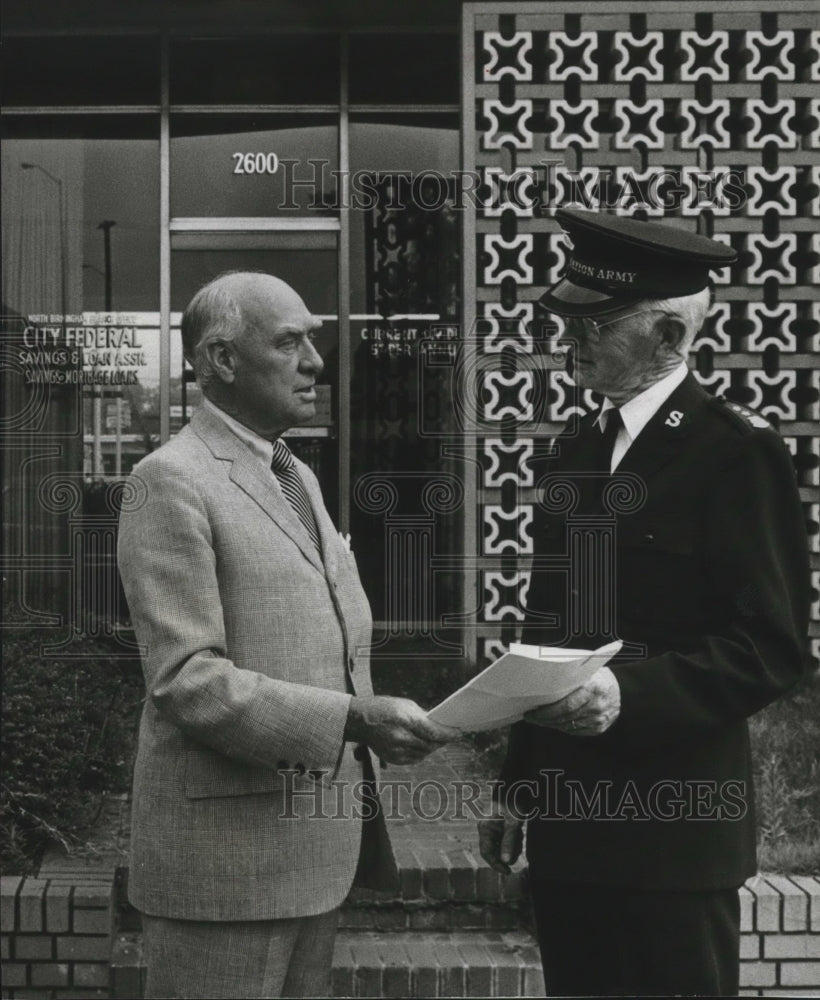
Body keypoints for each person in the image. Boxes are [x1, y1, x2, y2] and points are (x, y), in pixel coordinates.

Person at [478, 209, 810, 997]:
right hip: (572, 830)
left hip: (675, 839)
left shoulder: (735, 454)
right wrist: (521, 788)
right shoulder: (576, 450)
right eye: (568, 317)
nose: (571, 336)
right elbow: (550, 633)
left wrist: (628, 692)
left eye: (596, 321)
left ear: (666, 338)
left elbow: (772, 647)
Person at [117, 271, 455, 999]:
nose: (316, 362)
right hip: (224, 868)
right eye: (290, 341)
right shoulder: (169, 480)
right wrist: (353, 720)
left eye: (315, 339)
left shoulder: (295, 473)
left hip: (312, 852)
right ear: (221, 362)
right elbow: (185, 679)